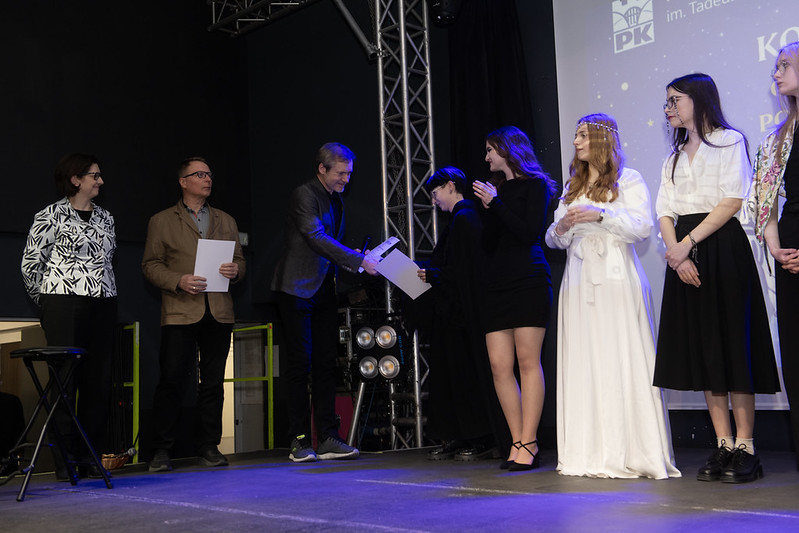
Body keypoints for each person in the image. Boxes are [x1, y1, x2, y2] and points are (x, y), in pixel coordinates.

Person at [653, 73, 780, 483]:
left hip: (722, 248)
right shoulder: (672, 158)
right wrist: (677, 255)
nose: (669, 108)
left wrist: (686, 244)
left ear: (699, 99)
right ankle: (723, 443)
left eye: (675, 100)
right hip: (684, 253)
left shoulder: (730, 141)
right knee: (707, 348)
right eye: (667, 102)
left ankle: (746, 447)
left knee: (733, 345)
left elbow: (732, 200)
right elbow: (664, 211)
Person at [545, 113, 680, 479]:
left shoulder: (628, 179)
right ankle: (587, 451)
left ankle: (634, 450)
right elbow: (552, 239)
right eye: (576, 136)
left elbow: (642, 228)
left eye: (582, 135)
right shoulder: (572, 186)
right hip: (579, 281)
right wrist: (563, 225)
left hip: (617, 278)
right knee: (585, 359)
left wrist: (600, 214)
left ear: (602, 139)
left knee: (622, 356)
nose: (576, 142)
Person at [271, 142, 378, 463]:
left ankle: (329, 437)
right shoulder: (303, 194)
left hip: (322, 289)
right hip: (295, 288)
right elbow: (315, 237)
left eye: (349, 173)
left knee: (326, 365)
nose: (346, 179)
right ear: (322, 168)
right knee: (299, 364)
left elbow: (329, 245)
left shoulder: (336, 199)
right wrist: (358, 260)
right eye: (341, 173)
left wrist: (353, 258)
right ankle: (299, 440)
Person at [142, 157, 246, 472]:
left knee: (213, 383)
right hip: (179, 311)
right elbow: (150, 265)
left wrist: (236, 270)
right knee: (172, 381)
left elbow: (240, 261)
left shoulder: (226, 220)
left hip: (219, 311)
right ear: (183, 182)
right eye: (199, 174)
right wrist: (178, 280)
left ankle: (209, 447)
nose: (207, 178)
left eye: (209, 174)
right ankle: (162, 449)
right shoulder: (161, 220)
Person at [21, 153, 117, 479]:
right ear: (76, 179)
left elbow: (108, 261)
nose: (100, 181)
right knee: (64, 381)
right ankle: (65, 462)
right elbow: (31, 264)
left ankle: (90, 458)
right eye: (94, 175)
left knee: (98, 383)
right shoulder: (49, 215)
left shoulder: (106, 218)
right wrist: (48, 303)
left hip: (103, 303)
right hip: (62, 302)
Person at [472, 126, 555, 471]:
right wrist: (490, 207)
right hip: (497, 284)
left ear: (508, 149)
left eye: (490, 150)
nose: (486, 157)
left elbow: (527, 233)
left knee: (527, 360)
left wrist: (496, 203)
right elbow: (489, 243)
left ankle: (529, 441)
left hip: (528, 279)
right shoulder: (498, 191)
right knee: (499, 365)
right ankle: (516, 439)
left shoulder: (537, 186)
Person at [417, 167, 511, 461]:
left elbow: (466, 271)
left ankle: (477, 436)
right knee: (451, 377)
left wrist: (433, 274)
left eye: (435, 193)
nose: (434, 201)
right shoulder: (461, 219)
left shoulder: (466, 218)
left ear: (449, 186)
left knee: (464, 376)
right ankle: (458, 435)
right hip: (452, 315)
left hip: (462, 316)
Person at [748, 41, 799, 471]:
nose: (776, 74)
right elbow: (764, 203)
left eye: (784, 65)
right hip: (790, 255)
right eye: (775, 67)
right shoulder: (776, 138)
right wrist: (776, 247)